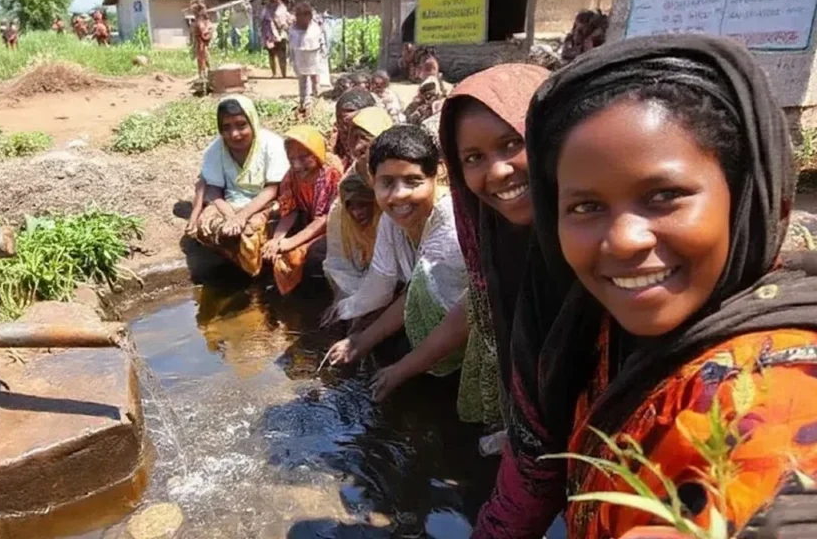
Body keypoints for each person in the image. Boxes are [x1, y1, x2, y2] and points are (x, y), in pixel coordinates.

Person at [476, 34, 817, 539]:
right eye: (586, 206)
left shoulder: (766, 402)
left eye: (664, 196)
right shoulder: (598, 328)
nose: (624, 240)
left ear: (744, 194)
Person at [366, 64, 549, 430]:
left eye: (513, 143)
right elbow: (480, 301)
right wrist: (358, 338)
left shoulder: (579, 227)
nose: (497, 172)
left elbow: (469, 314)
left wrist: (400, 368)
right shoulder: (485, 222)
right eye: (473, 157)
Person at [324, 125, 469, 387]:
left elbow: (457, 314)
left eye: (413, 181)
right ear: (372, 179)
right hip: (435, 317)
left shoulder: (450, 222)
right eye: (387, 182)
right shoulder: (392, 220)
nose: (399, 194)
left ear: (438, 174)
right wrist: (355, 333)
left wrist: (398, 371)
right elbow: (381, 282)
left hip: (468, 329)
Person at [189, 96, 289, 276]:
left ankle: (255, 282)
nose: (234, 134)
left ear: (252, 121)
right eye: (226, 128)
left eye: (241, 125)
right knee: (205, 227)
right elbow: (213, 188)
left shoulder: (272, 145)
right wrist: (230, 215)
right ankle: (236, 262)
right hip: (231, 203)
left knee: (250, 235)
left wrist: (242, 216)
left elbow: (273, 188)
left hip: (268, 203)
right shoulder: (215, 149)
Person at [322, 106, 395, 304]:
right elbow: (339, 257)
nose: (358, 146)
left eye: (365, 137)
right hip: (364, 265)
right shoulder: (348, 185)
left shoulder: (400, 181)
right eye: (353, 139)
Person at [264, 125, 342, 295]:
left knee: (302, 255)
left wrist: (291, 243)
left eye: (304, 157)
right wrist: (277, 239)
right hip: (309, 221)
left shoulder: (334, 176)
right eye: (292, 158)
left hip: (333, 228)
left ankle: (315, 294)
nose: (297, 165)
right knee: (269, 236)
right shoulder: (291, 176)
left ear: (317, 153)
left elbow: (326, 219)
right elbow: (289, 210)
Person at [288, 2, 324, 114]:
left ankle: (316, 96)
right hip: (299, 54)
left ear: (309, 16)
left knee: (314, 75)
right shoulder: (293, 29)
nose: (303, 18)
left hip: (313, 54)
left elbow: (321, 41)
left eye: (305, 15)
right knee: (302, 77)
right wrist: (291, 56)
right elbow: (291, 44)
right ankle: (303, 99)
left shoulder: (315, 28)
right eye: (300, 15)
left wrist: (323, 51)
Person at [329, 89, 377, 168]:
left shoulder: (383, 155)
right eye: (341, 124)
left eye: (355, 129)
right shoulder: (332, 149)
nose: (348, 138)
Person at [260, 0, 290, 79]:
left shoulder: (282, 7)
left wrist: (283, 25)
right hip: (269, 34)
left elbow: (286, 19)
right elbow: (262, 20)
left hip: (281, 33)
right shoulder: (266, 8)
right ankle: (274, 73)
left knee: (282, 54)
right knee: (271, 54)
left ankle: (284, 74)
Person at [190, 0, 213, 80]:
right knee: (201, 57)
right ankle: (204, 73)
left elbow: (204, 30)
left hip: (201, 41)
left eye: (194, 11)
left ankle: (205, 73)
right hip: (199, 41)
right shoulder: (200, 20)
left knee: (203, 56)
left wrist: (204, 33)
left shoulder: (202, 21)